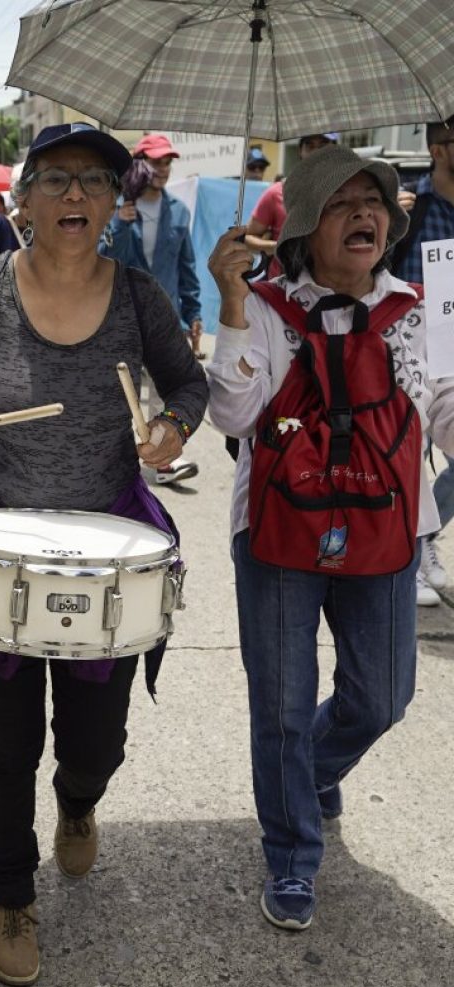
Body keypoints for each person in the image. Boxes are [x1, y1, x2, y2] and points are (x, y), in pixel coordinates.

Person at [0, 122, 208, 987]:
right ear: (21, 199)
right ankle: (12, 895)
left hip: (112, 549)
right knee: (5, 742)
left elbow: (190, 382)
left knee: (98, 742)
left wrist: (170, 427)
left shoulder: (137, 298)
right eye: (55, 179)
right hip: (0, 545)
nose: (76, 196)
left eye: (96, 181)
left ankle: (81, 800)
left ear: (115, 204)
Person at [206, 145, 454, 932]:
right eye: (342, 202)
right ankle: (290, 854)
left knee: (381, 698)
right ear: (306, 227)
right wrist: (233, 304)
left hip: (388, 527)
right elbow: (236, 418)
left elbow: (442, 405)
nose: (365, 214)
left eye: (374, 200)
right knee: (279, 706)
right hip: (278, 531)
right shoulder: (270, 306)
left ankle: (306, 774)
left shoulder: (418, 306)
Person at [99, 132, 202, 484]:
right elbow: (105, 261)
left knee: (164, 389)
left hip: (165, 316)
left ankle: (163, 461)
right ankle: (114, 459)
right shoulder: (115, 210)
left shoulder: (179, 211)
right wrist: (120, 224)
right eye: (155, 161)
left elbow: (186, 267)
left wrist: (194, 313)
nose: (162, 168)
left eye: (167, 162)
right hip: (120, 317)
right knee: (120, 392)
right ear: (138, 164)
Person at [391, 119, 454, 605]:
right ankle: (407, 557)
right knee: (406, 459)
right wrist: (392, 223)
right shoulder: (409, 205)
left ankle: (423, 539)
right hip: (409, 350)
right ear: (437, 148)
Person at [244, 132, 339, 268]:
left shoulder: (349, 193)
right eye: (310, 146)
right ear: (301, 152)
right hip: (284, 286)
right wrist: (278, 247)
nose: (317, 152)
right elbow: (248, 238)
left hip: (335, 285)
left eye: (323, 145)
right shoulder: (276, 192)